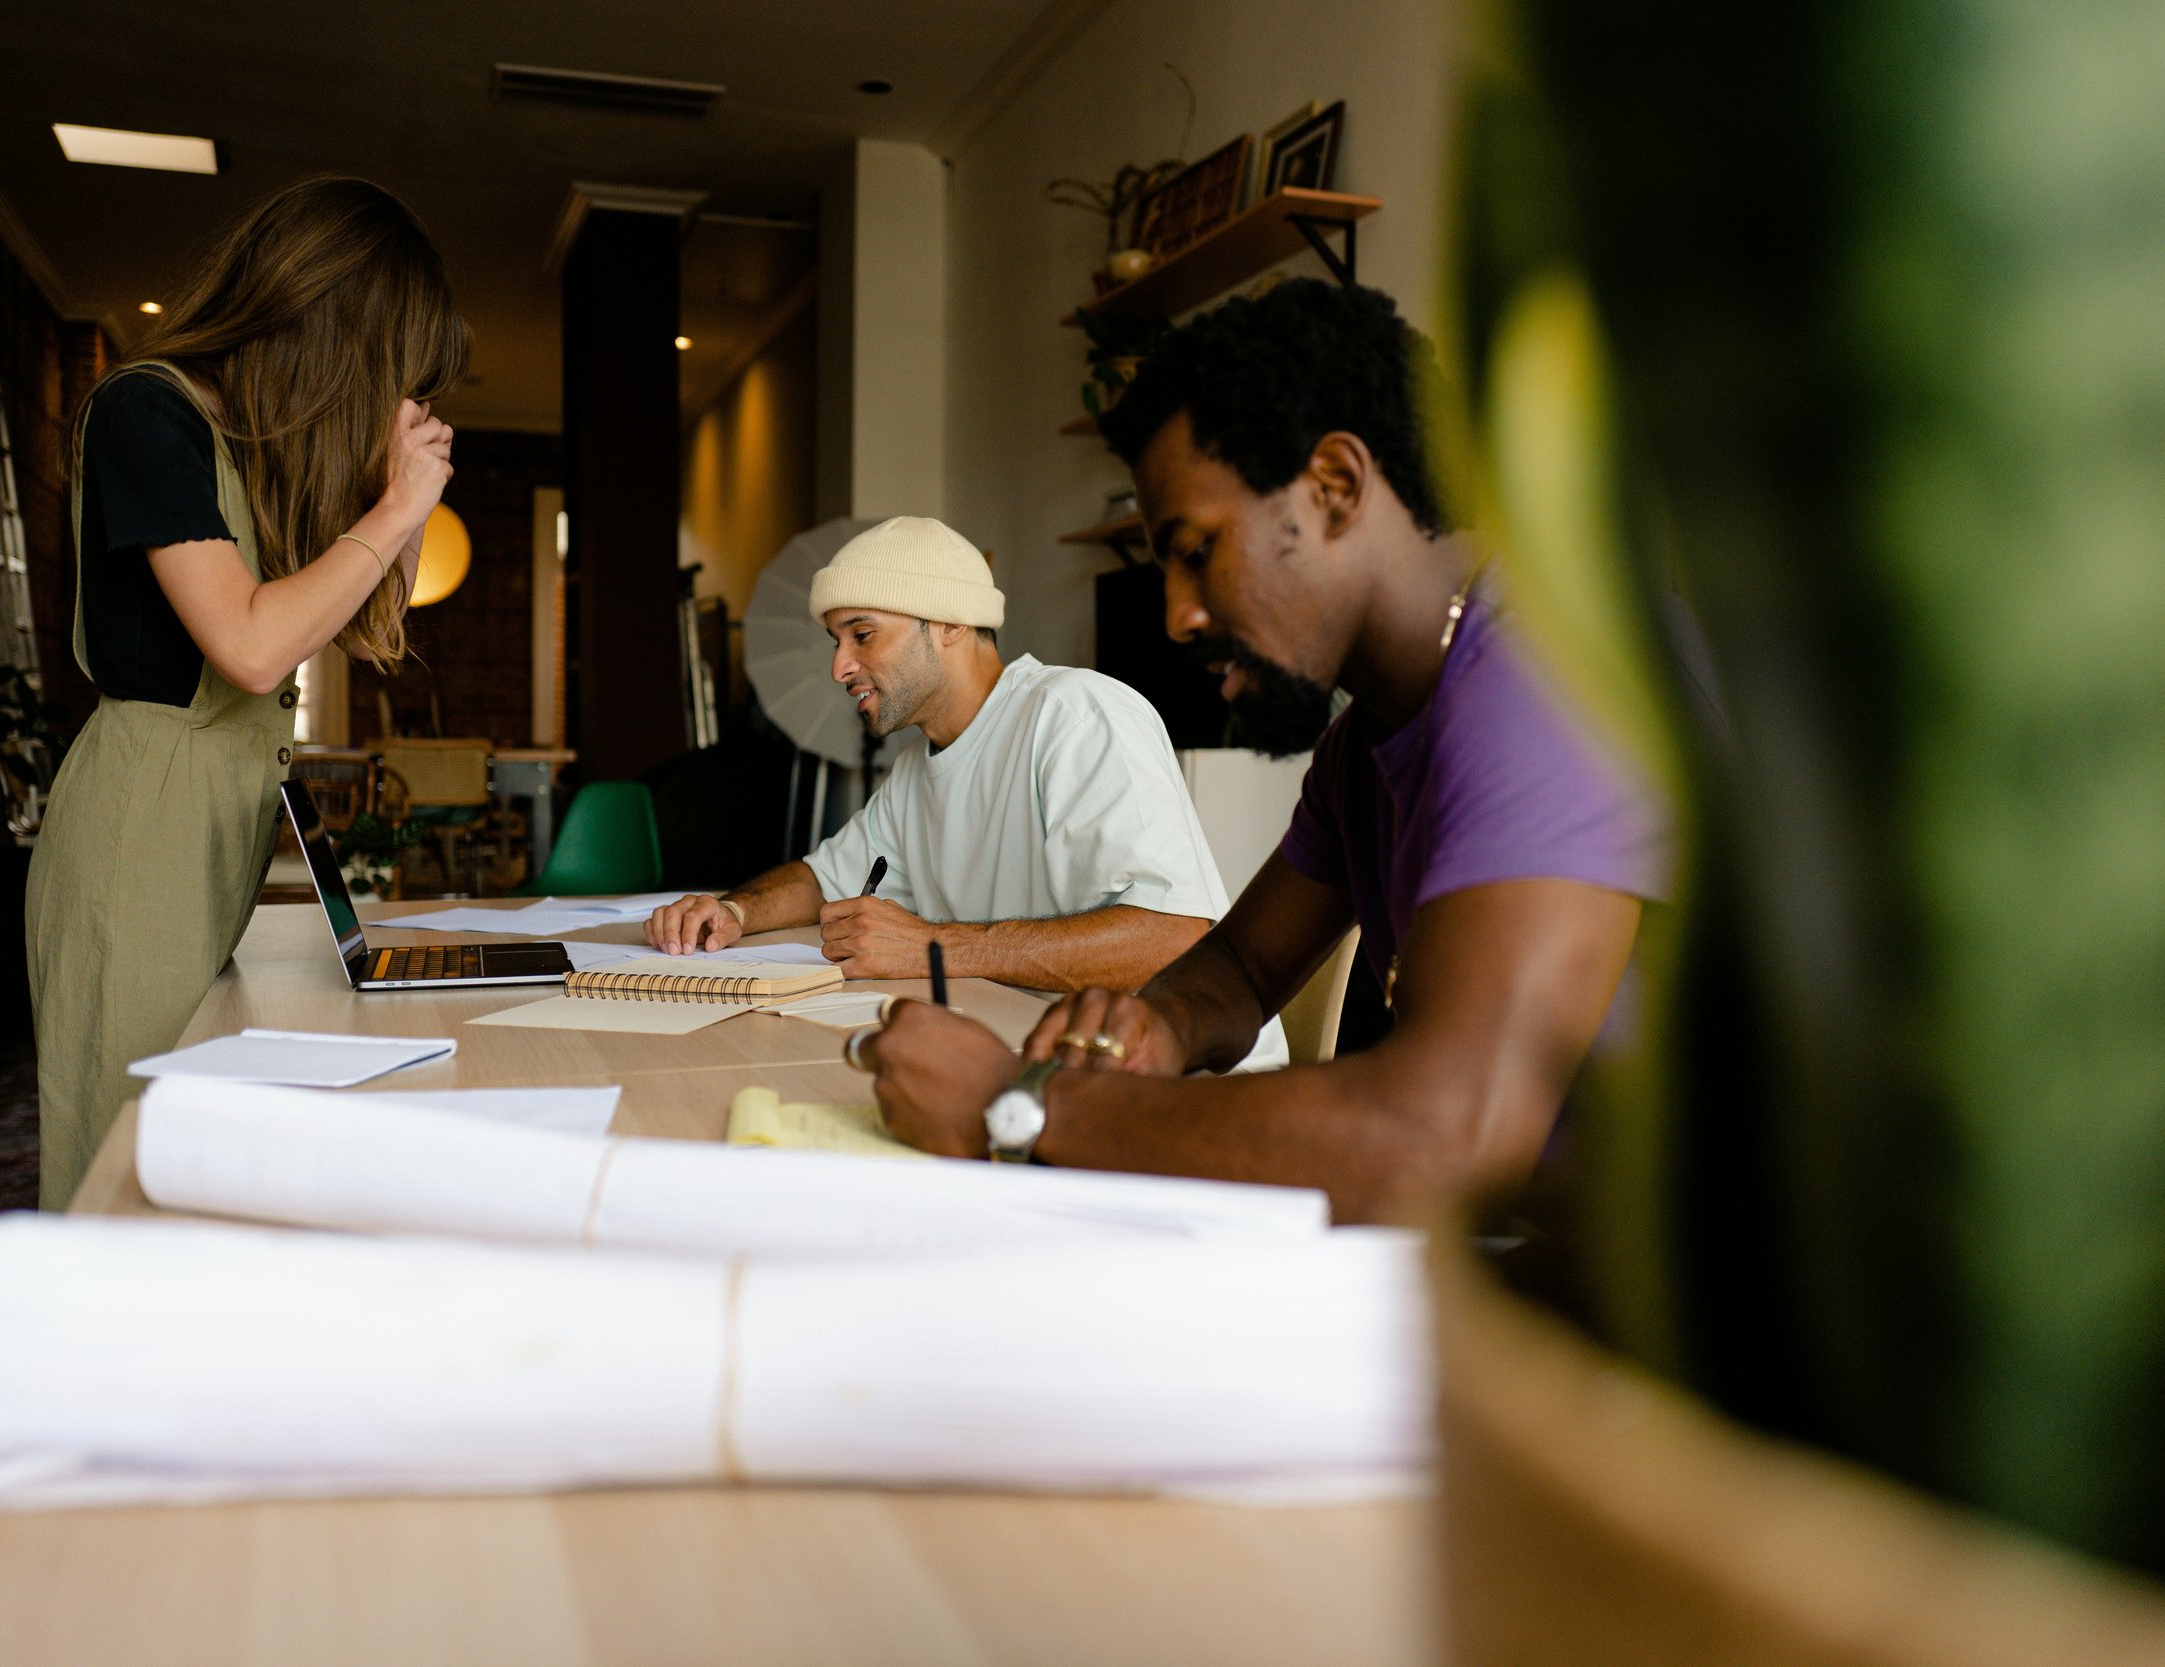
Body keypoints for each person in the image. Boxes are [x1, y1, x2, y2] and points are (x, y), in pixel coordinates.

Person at [860, 281, 1669, 1221]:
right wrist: (1148, 1023)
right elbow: (1239, 968)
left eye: (1197, 549)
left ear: (1334, 485)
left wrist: (1027, 1104)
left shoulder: (1546, 686)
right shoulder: (1369, 735)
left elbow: (1445, 1135)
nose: (1176, 615)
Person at [27, 177, 468, 1208]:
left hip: (212, 831)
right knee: (121, 1152)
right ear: (336, 331)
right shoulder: (147, 411)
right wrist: (396, 504)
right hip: (140, 830)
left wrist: (399, 508)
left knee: (184, 1144)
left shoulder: (250, 448)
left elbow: (359, 632)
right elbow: (253, 647)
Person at [647, 518, 1284, 1061]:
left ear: (950, 623)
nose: (839, 665)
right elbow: (822, 879)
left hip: (1182, 1081)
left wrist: (929, 946)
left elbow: (1172, 939)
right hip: (1041, 1054)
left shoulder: (1076, 717)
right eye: (836, 640)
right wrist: (732, 912)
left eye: (862, 634)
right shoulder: (915, 771)